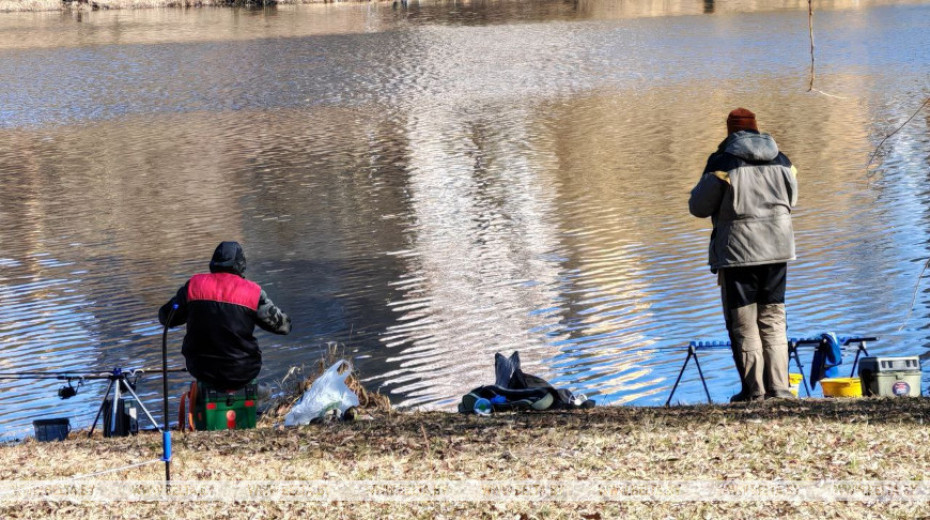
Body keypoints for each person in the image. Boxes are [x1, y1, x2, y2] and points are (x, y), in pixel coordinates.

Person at [688, 108, 798, 402]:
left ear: (730, 132)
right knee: (774, 318)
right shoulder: (783, 159)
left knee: (744, 322)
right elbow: (792, 199)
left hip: (739, 253)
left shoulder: (723, 162)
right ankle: (780, 389)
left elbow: (699, 207)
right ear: (756, 129)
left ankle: (754, 392)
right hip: (777, 249)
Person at [159, 241, 291, 390]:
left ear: (213, 263)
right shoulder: (252, 292)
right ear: (241, 265)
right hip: (243, 371)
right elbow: (284, 327)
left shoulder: (193, 286)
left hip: (201, 369)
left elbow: (165, 317)